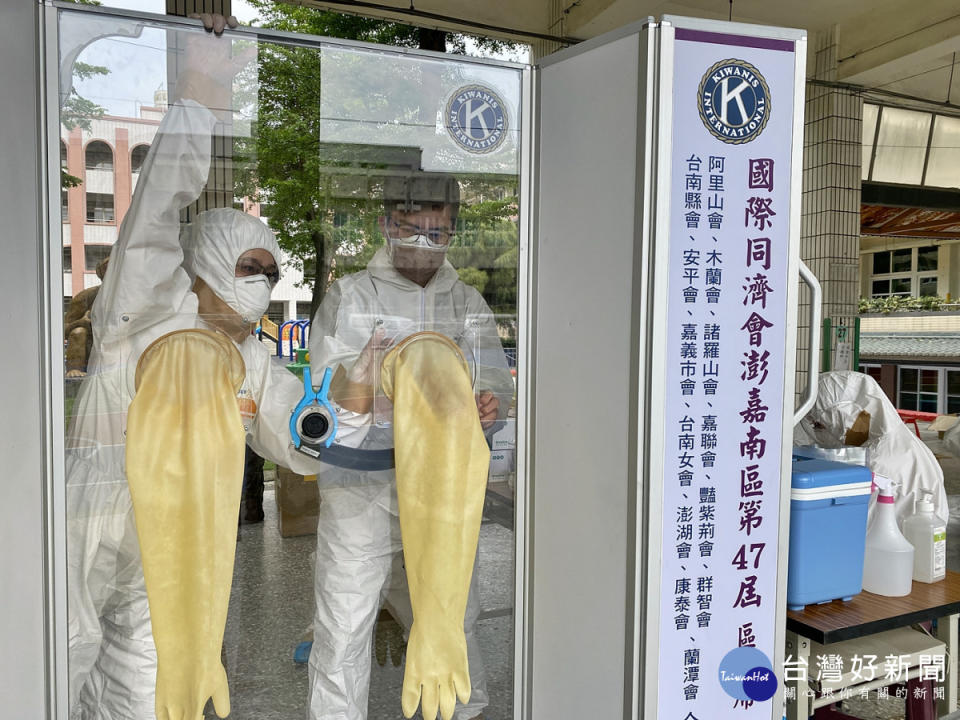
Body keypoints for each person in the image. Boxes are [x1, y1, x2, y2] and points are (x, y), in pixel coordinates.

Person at [66, 17, 335, 718]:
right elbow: (156, 210)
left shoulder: (249, 357)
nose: (262, 284)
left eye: (271, 274)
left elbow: (298, 442)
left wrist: (350, 412)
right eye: (250, 267)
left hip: (170, 550)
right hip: (91, 516)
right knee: (53, 661)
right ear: (210, 262)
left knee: (148, 689)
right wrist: (200, 93)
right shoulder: (146, 308)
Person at [306, 171, 514, 720]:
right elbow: (323, 396)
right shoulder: (352, 298)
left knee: (451, 616)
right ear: (385, 225)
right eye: (412, 231)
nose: (424, 248)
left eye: (438, 235)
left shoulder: (465, 301)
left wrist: (491, 407)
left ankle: (457, 713)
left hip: (441, 489)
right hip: (362, 488)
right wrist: (364, 387)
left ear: (453, 234)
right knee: (345, 625)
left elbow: (494, 381)